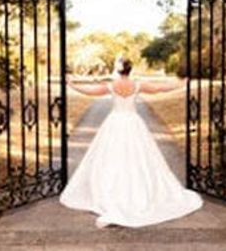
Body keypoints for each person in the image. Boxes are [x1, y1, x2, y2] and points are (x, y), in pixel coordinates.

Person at [59, 57, 203, 228]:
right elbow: (158, 89)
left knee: (111, 158)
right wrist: (181, 84)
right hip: (133, 122)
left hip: (115, 122)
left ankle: (111, 193)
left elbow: (91, 91)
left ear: (118, 70)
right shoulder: (137, 85)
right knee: (139, 158)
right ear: (130, 69)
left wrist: (71, 84)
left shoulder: (112, 85)